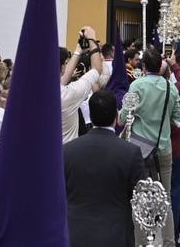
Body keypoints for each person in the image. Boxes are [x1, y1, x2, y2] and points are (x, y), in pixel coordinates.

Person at [63, 90, 145, 247]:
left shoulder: (67, 150)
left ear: (91, 116)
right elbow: (139, 198)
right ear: (116, 115)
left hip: (76, 234)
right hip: (116, 234)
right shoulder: (130, 152)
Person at [125, 49, 180, 247]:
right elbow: (178, 120)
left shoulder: (136, 85)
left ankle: (141, 242)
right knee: (165, 197)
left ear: (143, 66)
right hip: (163, 147)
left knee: (139, 197)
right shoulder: (170, 88)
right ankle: (168, 242)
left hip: (139, 149)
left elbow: (125, 116)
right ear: (160, 66)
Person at [61, 27, 106, 143]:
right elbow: (96, 69)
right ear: (62, 68)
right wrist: (92, 40)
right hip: (66, 154)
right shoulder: (67, 94)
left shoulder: (34, 91)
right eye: (65, 63)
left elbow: (61, 81)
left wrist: (78, 51)